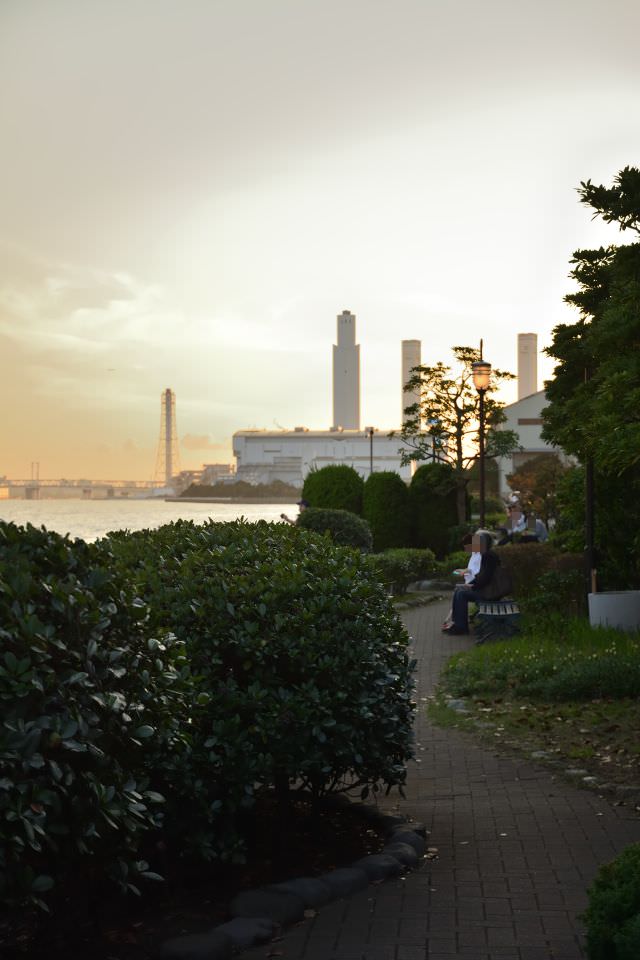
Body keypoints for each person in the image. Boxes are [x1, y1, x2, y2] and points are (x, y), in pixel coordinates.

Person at [443, 531, 500, 636]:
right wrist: (470, 585)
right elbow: (482, 577)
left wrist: (471, 586)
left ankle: (461, 627)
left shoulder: (487, 556)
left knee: (461, 593)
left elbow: (485, 578)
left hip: (488, 592)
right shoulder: (487, 554)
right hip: (486, 589)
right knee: (460, 591)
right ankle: (458, 624)